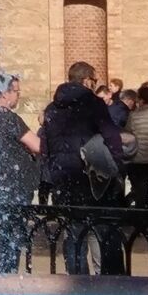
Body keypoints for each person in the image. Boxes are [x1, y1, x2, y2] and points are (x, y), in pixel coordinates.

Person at [39, 61, 125, 274]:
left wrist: (52, 173)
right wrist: (116, 165)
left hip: (62, 178)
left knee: (73, 232)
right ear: (86, 80)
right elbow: (111, 136)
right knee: (103, 229)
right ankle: (110, 281)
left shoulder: (52, 108)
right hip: (91, 176)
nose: (95, 84)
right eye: (94, 80)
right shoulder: (94, 104)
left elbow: (45, 146)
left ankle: (77, 282)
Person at [0, 77, 42, 272]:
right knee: (14, 233)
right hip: (16, 184)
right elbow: (38, 145)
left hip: (4, 181)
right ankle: (8, 276)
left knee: (7, 233)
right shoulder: (9, 118)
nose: (19, 95)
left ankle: (4, 275)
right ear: (4, 94)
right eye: (17, 91)